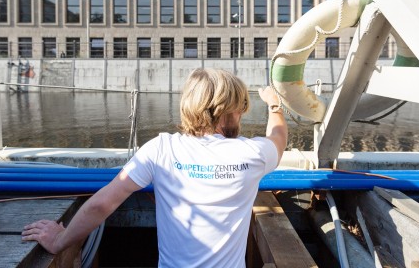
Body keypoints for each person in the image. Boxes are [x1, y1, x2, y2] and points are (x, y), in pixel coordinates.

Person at [22, 68, 288, 267]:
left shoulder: (161, 148)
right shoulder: (253, 153)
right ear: (228, 111)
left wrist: (59, 241)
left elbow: (101, 204)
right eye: (241, 108)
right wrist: (274, 105)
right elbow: (278, 137)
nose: (241, 115)